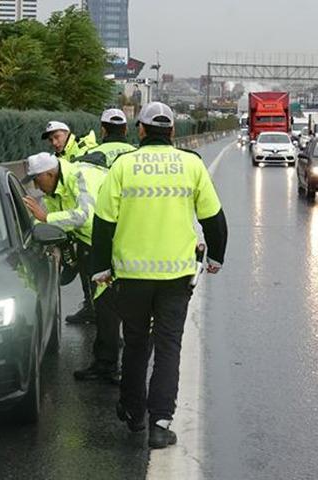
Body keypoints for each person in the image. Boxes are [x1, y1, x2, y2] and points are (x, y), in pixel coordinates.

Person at [91, 102, 228, 449]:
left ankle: (133, 412)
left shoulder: (123, 166)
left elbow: (104, 222)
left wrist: (102, 268)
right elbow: (213, 218)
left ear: (140, 130)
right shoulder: (190, 164)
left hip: (131, 276)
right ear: (171, 132)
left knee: (136, 343)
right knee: (168, 347)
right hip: (176, 276)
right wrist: (216, 257)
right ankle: (160, 423)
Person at [22, 152, 107, 325]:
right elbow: (44, 218)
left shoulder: (80, 176)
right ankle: (92, 311)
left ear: (50, 174)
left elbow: (85, 216)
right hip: (89, 239)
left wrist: (47, 219)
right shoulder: (53, 189)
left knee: (109, 294)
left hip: (111, 237)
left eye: (37, 180)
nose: (36, 187)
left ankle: (114, 338)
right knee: (89, 276)